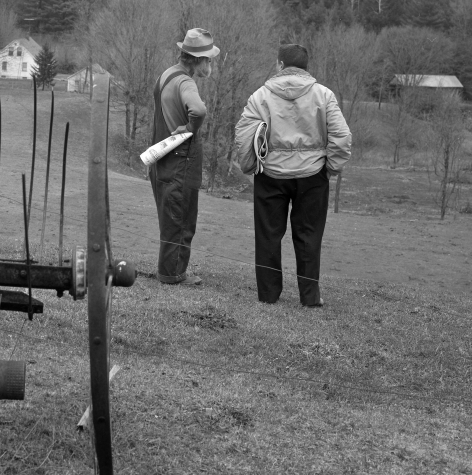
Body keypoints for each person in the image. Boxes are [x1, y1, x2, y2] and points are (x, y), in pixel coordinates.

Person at [234, 43, 351, 306]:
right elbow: (341, 138)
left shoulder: (260, 96)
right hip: (312, 175)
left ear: (280, 65)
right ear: (306, 68)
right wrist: (330, 167)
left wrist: (249, 165)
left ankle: (268, 295)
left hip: (271, 174)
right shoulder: (324, 95)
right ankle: (310, 297)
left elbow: (243, 137)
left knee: (268, 235)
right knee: (309, 236)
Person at [149, 28, 219, 285]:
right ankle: (173, 274)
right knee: (181, 216)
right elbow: (198, 110)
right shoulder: (186, 82)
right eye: (208, 58)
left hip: (161, 157)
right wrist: (190, 128)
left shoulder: (167, 74)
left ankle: (169, 269)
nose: (210, 63)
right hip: (180, 159)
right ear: (196, 59)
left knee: (169, 216)